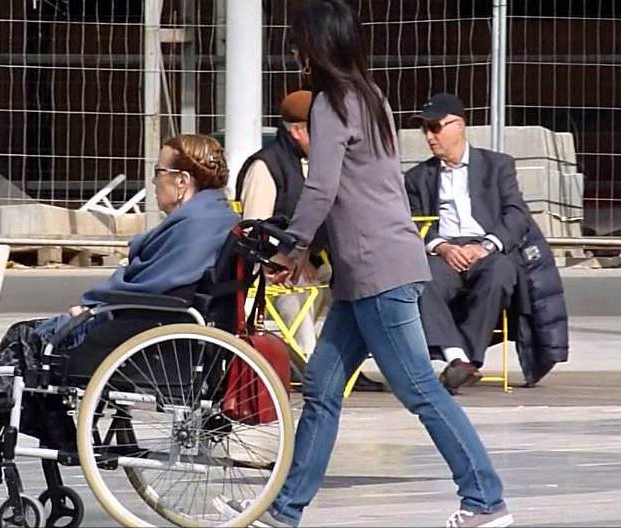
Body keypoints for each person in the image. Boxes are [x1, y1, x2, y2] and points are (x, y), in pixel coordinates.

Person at [223, 2, 513, 527]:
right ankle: (284, 511)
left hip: (378, 271)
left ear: (316, 46)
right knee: (322, 389)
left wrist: (290, 248)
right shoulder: (370, 95)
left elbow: (321, 188)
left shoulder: (331, 104)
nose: (294, 52)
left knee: (419, 390)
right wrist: (305, 250)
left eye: (299, 42)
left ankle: (484, 500)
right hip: (368, 272)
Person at [0, 134, 240, 483]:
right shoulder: (213, 217)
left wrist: (99, 303)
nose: (153, 182)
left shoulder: (196, 227)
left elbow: (156, 285)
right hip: (157, 330)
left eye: (158, 172)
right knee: (28, 344)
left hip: (146, 336)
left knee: (23, 339)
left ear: (182, 181)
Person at [405, 93, 569, 392]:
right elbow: (413, 222)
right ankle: (458, 358)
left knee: (500, 274)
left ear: (458, 125)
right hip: (444, 252)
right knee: (423, 280)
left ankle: (465, 361)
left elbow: (516, 214)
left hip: (486, 248)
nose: (429, 136)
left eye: (435, 128)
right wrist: (442, 247)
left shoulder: (497, 166)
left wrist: (485, 246)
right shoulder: (418, 177)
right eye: (425, 129)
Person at [236, 89, 384, 392]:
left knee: (358, 282)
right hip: (272, 272)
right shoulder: (265, 167)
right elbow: (256, 232)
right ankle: (313, 370)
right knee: (298, 290)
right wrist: (290, 259)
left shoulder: (320, 164)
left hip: (312, 264)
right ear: (297, 131)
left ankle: (346, 364)